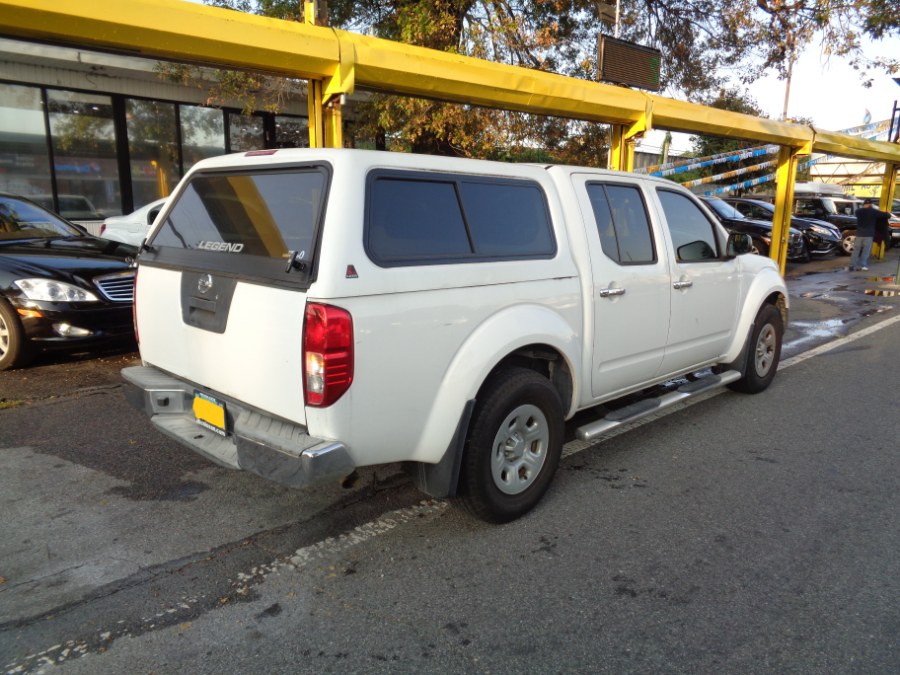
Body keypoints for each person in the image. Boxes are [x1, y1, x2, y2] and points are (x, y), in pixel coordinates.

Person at [849, 199, 891, 271]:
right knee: (866, 251)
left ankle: (852, 265)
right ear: (871, 204)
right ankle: (863, 265)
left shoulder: (858, 211)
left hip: (859, 234)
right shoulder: (874, 212)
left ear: (864, 204)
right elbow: (887, 215)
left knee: (856, 250)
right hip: (868, 235)